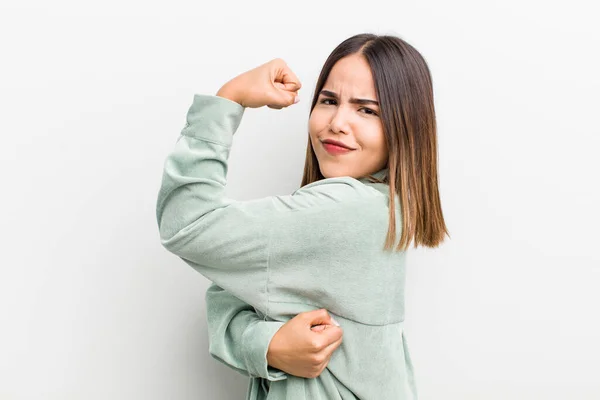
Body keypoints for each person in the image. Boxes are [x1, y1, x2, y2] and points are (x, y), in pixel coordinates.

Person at [156, 32, 449, 399]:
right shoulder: (383, 208)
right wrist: (266, 343)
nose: (338, 122)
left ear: (405, 127)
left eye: (367, 109)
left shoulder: (346, 211)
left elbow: (186, 223)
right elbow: (229, 289)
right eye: (329, 101)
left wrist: (229, 98)